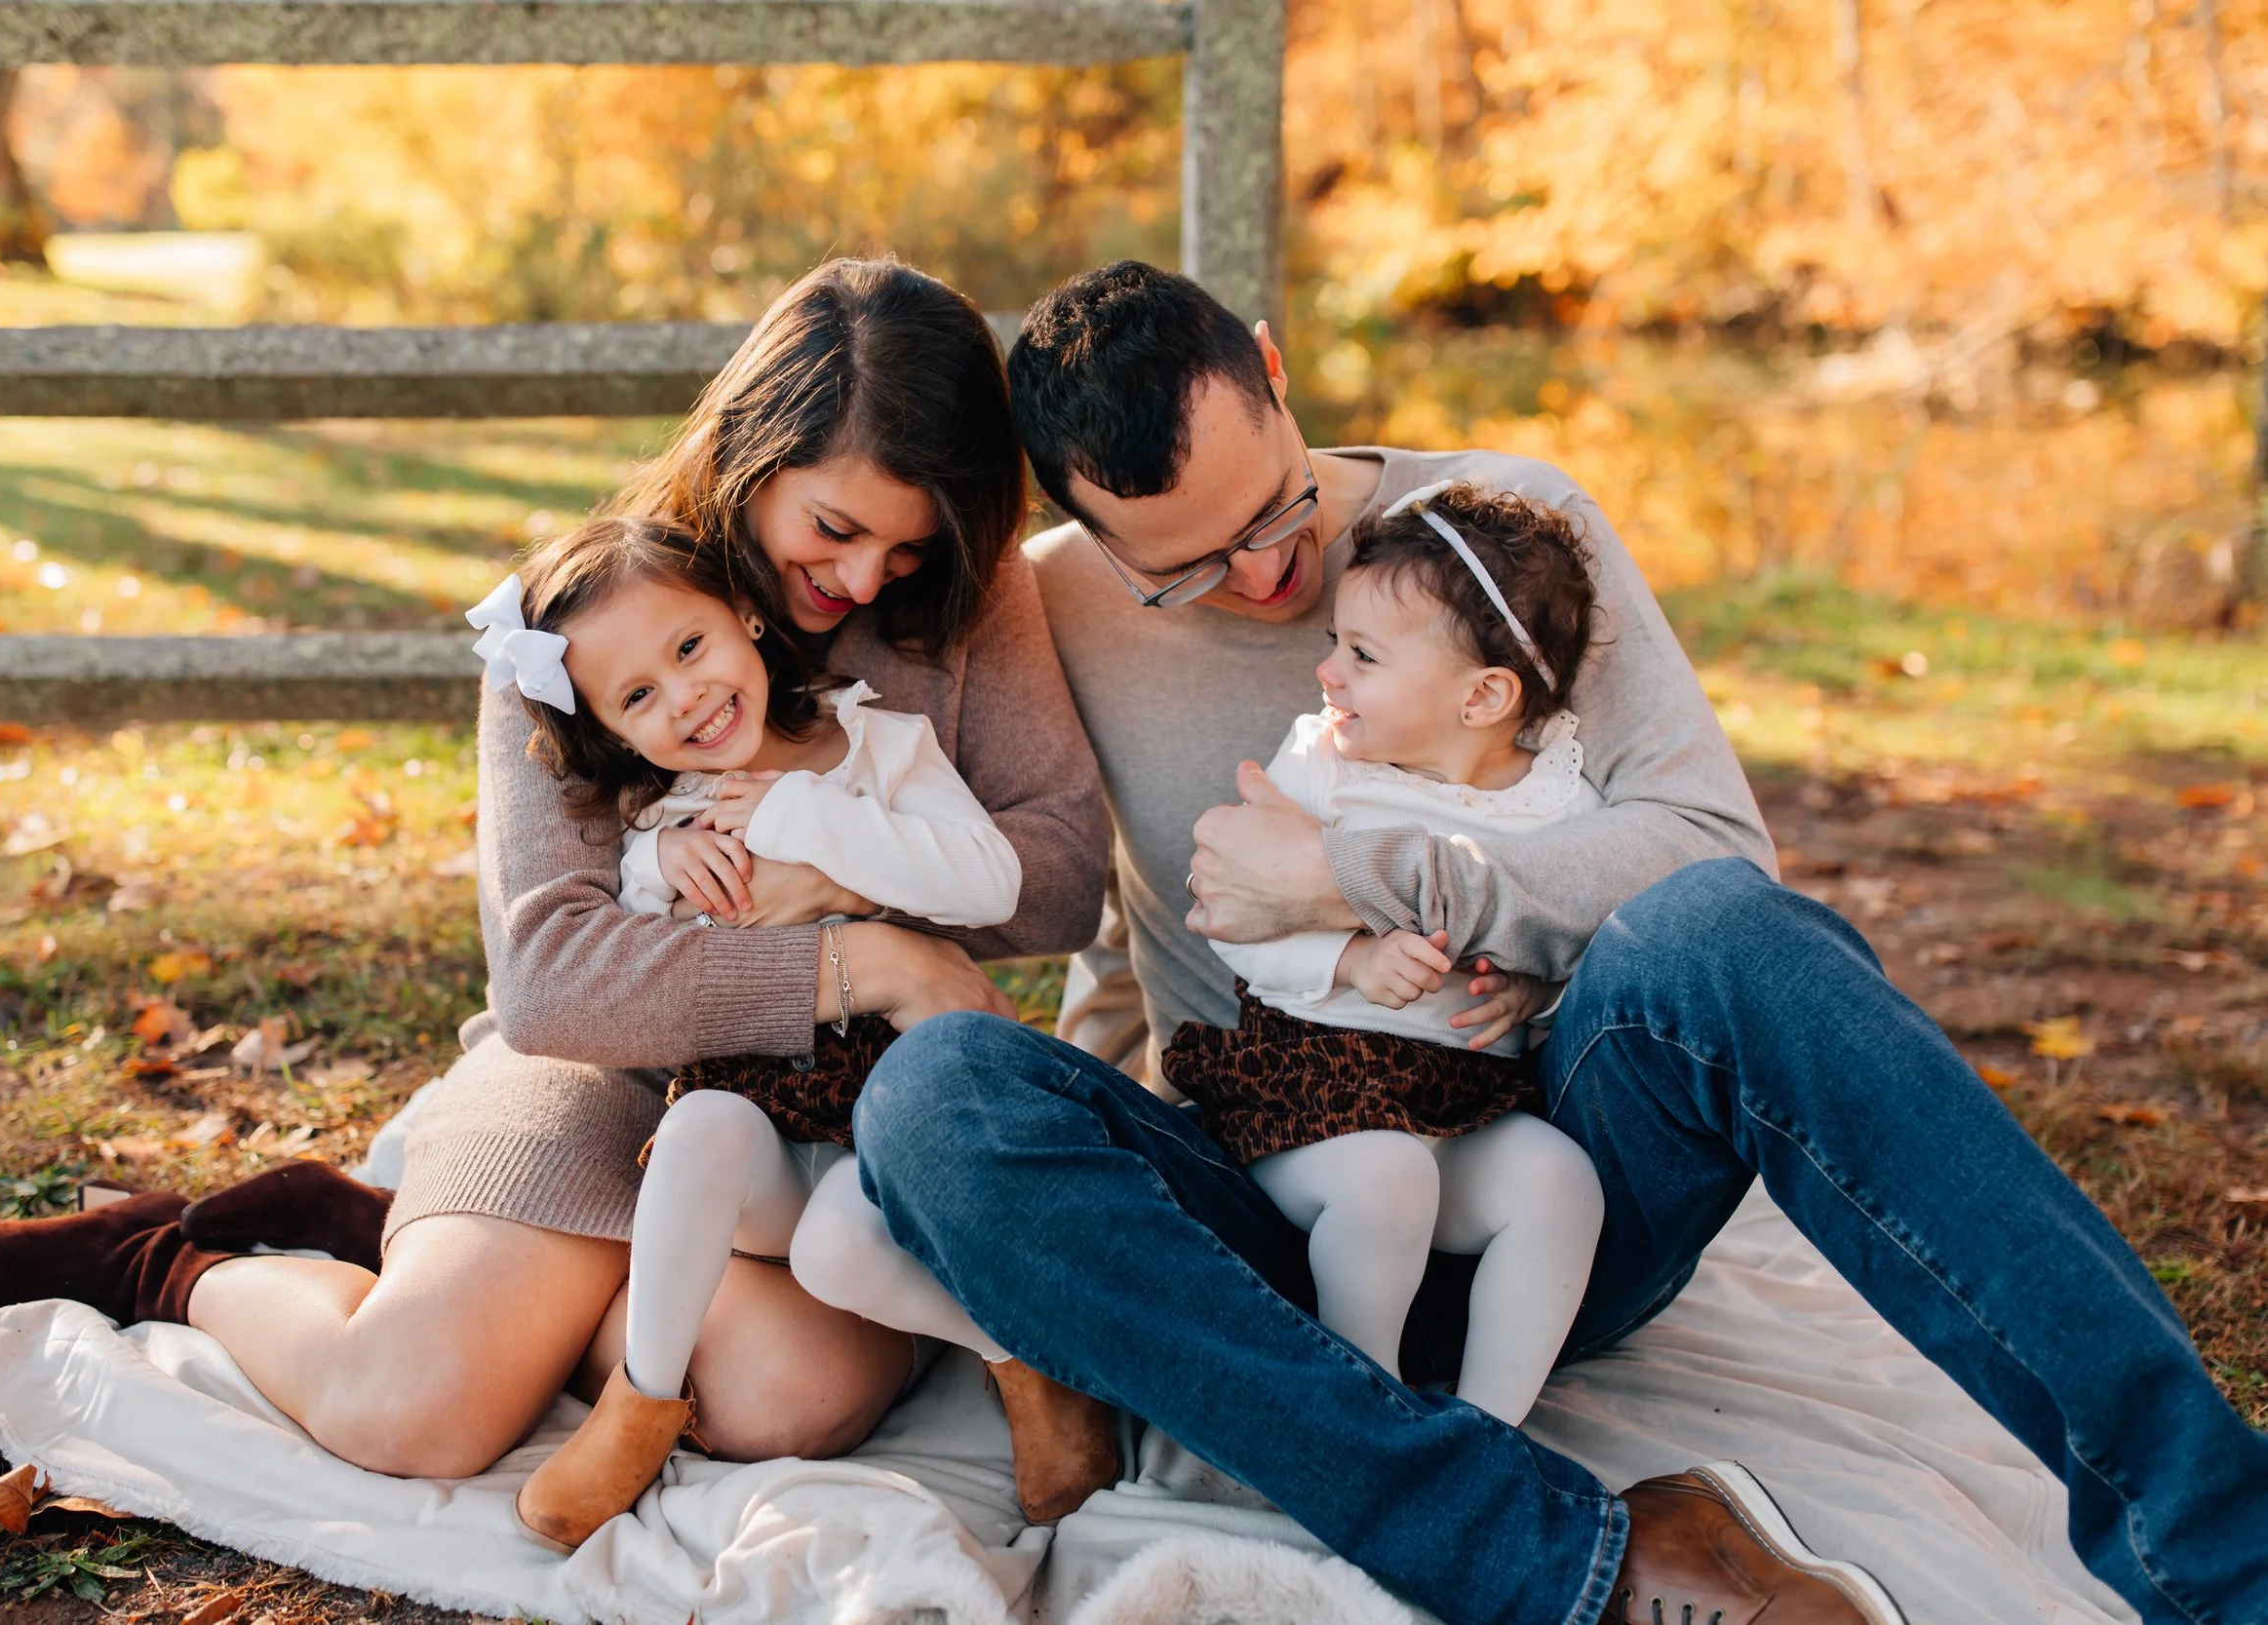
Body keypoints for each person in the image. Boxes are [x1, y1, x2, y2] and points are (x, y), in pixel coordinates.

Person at [846, 260, 2268, 1625]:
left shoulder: (1501, 530)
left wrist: (1353, 870)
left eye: (1279, 510)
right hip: (1265, 1204)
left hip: (1555, 1164)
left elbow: (1709, 850)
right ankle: (1538, 1549)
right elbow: (996, 872)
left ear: (1275, 369)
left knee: (1723, 936)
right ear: (1083, 530)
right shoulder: (1051, 606)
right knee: (936, 1095)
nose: (1271, 575)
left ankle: (2221, 1555)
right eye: (1194, 568)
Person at [0, 259, 1111, 1496]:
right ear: (751, 455)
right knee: (410, 1413)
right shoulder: (580, 617)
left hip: (820, 1125)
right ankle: (167, 1259)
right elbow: (554, 977)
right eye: (834, 530)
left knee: (791, 1398)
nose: (860, 580)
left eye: (907, 546)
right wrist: (865, 957)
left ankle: (452, 1264)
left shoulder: (968, 593)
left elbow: (1055, 878)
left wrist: (820, 870)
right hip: (596, 1073)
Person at [464, 517, 1112, 1549]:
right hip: (763, 1137)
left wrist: (808, 822)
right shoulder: (660, 814)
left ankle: (1025, 1363)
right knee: (697, 1129)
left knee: (839, 1248)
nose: (685, 696)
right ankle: (641, 1405)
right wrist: (660, 865)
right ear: (615, 732)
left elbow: (991, 879)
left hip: (893, 1133)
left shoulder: (880, 744)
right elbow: (616, 954)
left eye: (689, 647)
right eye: (637, 696)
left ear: (747, 617)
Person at [1161, 480, 1607, 1423]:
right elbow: (1234, 918)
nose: (1327, 671)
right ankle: (1367, 1419)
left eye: (1361, 654)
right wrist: (1351, 960)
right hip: (1306, 1096)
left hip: (1461, 1104)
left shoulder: (1554, 798)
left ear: (1484, 696)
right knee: (1387, 1175)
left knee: (1560, 1184)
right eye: (1335, 643)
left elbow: (1591, 931)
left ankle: (1488, 1431)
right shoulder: (1325, 766)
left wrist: (1533, 989)